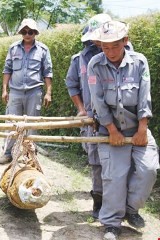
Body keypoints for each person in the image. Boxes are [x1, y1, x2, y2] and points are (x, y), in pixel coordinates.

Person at [87, 20, 159, 240]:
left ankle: (131, 209)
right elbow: (98, 101)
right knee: (114, 177)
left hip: (138, 129)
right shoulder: (94, 65)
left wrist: (143, 129)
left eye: (115, 46)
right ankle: (111, 223)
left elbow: (144, 96)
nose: (110, 52)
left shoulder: (139, 62)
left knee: (149, 170)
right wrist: (111, 130)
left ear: (125, 41)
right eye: (105, 47)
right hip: (110, 132)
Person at [65, 13, 112, 219]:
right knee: (96, 162)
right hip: (92, 120)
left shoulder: (124, 54)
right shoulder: (80, 58)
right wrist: (81, 109)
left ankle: (119, 205)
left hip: (118, 121)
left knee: (118, 163)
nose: (96, 41)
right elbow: (72, 84)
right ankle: (98, 201)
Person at [0, 18, 53, 164]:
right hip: (15, 91)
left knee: (32, 124)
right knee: (12, 123)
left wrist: (48, 92)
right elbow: (7, 69)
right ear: (21, 32)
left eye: (30, 32)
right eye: (24, 31)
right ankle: (8, 153)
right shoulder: (13, 48)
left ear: (35, 33)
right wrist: (4, 90)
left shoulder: (43, 50)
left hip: (34, 91)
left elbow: (47, 72)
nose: (27, 34)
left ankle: (30, 154)